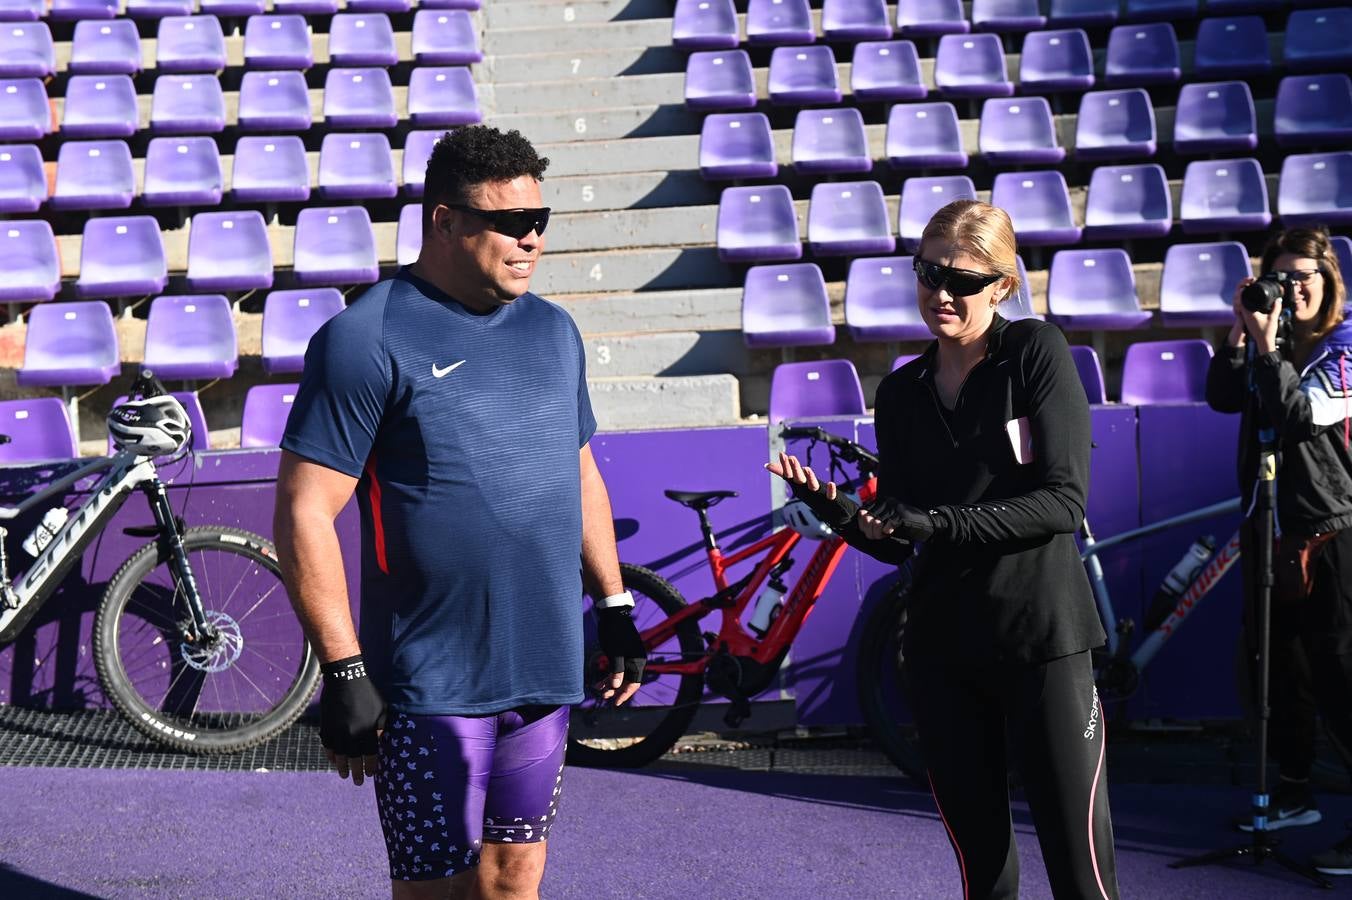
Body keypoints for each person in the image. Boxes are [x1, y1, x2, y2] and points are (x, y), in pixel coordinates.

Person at [273, 125, 646, 900]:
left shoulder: (554, 331)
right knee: (435, 892)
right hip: (429, 683)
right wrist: (344, 671)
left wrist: (615, 606)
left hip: (543, 668)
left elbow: (579, 471)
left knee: (515, 880)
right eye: (511, 222)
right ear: (445, 221)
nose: (532, 239)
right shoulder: (364, 337)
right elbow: (305, 511)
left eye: (540, 220)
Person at [767, 199, 1119, 899]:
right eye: (929, 273)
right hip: (943, 650)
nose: (941, 294)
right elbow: (904, 539)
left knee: (1082, 878)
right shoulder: (900, 392)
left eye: (962, 280)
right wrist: (845, 516)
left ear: (1003, 285)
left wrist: (932, 520)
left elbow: (1062, 503)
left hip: (1042, 639)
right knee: (984, 878)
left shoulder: (1035, 352)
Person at [1204, 226, 1352, 874]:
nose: (1292, 290)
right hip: (1269, 527)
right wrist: (1241, 335)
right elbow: (1221, 396)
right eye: (1281, 278)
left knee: (1341, 678)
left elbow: (1299, 417)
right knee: (1278, 672)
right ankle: (1294, 793)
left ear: (1329, 283)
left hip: (1330, 531)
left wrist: (1268, 348)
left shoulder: (1347, 348)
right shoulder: (1274, 337)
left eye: (1304, 278)